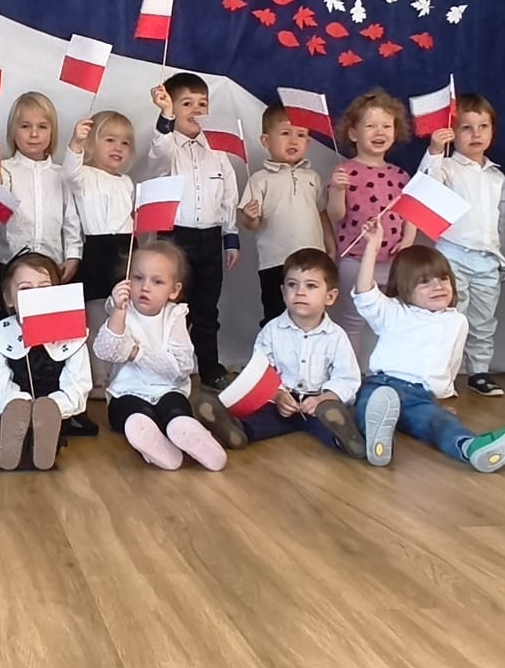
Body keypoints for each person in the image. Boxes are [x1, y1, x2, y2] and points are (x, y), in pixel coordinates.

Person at [352, 221, 505, 473]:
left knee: (440, 425)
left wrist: (442, 399)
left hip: (421, 396)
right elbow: (365, 294)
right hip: (383, 385)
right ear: (404, 287)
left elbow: (450, 364)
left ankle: (473, 448)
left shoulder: (456, 321)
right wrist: (372, 247)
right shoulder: (394, 311)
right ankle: (376, 439)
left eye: (443, 278)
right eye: (425, 282)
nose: (438, 286)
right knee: (369, 406)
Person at [189, 247, 368, 459]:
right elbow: (262, 372)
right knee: (261, 419)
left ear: (330, 296)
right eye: (292, 285)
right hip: (281, 403)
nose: (300, 292)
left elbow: (347, 377)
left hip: (318, 404)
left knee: (327, 423)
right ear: (283, 292)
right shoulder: (271, 331)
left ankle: (346, 437)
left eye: (311, 286)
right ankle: (235, 430)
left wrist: (326, 397)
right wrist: (278, 395)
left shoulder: (336, 336)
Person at [92, 240, 225, 472]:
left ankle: (189, 432)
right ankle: (153, 442)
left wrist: (135, 352)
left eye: (157, 281)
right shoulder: (122, 310)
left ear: (174, 290)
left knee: (175, 409)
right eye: (138, 278)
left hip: (168, 389)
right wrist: (118, 310)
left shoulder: (175, 315)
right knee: (131, 413)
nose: (145, 287)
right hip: (127, 391)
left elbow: (181, 367)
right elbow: (106, 349)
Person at [147, 73, 239, 387]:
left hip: (210, 239)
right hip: (175, 240)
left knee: (206, 309)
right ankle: (169, 369)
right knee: (172, 308)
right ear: (172, 107)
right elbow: (158, 157)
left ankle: (210, 369)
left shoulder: (217, 150)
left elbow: (229, 195)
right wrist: (165, 116)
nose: (196, 110)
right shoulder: (166, 145)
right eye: (187, 104)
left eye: (202, 104)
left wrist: (230, 238)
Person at [419, 93, 505, 396]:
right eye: (466, 128)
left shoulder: (497, 177)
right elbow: (426, 187)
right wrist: (434, 150)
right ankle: (443, 373)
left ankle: (479, 372)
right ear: (453, 132)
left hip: (487, 259)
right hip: (452, 255)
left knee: (483, 320)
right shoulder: (446, 167)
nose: (476, 134)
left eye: (483, 126)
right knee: (450, 317)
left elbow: (503, 222)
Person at [326, 89, 416, 364]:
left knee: (392, 320)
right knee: (352, 321)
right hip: (355, 259)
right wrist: (337, 190)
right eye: (371, 126)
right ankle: (348, 374)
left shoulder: (401, 175)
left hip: (393, 262)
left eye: (386, 126)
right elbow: (336, 215)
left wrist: (408, 242)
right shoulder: (344, 171)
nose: (379, 132)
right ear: (353, 133)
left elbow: (411, 215)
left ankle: (387, 372)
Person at [0, 252, 91, 470]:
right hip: (9, 411)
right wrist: (18, 404)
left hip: (55, 412)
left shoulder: (73, 336)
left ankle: (45, 447)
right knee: (13, 422)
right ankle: (12, 444)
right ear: (8, 299)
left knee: (49, 425)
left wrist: (54, 406)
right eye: (25, 289)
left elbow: (78, 384)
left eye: (44, 288)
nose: (35, 297)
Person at [61, 111, 135, 390]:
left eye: (125, 142)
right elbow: (69, 172)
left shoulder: (127, 182)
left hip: (126, 251)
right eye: (110, 140)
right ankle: (97, 374)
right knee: (95, 315)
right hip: (96, 250)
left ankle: (121, 372)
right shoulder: (84, 175)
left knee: (123, 311)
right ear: (92, 143)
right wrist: (76, 143)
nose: (118, 147)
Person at [238, 105, 325, 326]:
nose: (293, 140)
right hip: (275, 261)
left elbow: (321, 213)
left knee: (312, 313)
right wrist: (250, 216)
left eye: (301, 135)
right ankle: (273, 349)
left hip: (313, 258)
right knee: (276, 315)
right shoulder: (259, 179)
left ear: (308, 142)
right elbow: (251, 224)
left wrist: (330, 246)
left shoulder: (313, 177)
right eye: (285, 133)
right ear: (266, 141)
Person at [0, 91, 69, 272]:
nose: (34, 134)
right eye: (25, 126)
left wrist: (72, 256)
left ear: (52, 132)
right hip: (13, 261)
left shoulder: (61, 174)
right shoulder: (5, 168)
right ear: (13, 131)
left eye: (42, 126)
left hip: (52, 260)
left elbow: (71, 220)